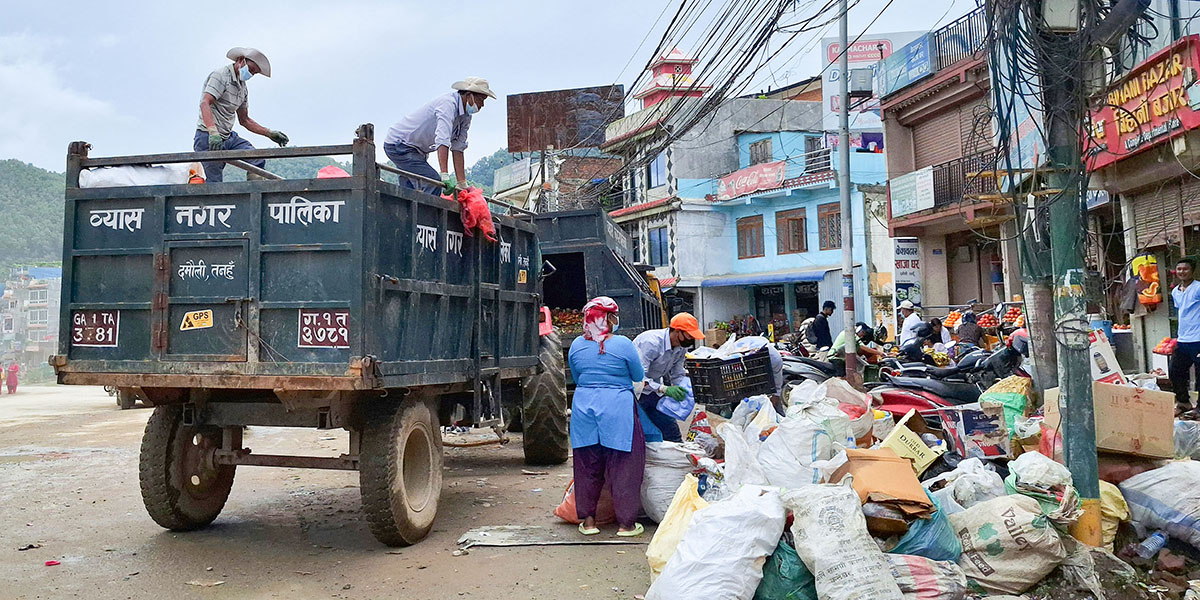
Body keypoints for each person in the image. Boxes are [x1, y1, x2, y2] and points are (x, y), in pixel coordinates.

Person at [567, 297, 646, 537]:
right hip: (618, 410)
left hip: (584, 409)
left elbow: (577, 377)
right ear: (608, 319)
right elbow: (637, 374)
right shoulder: (623, 345)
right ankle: (626, 525)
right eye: (614, 316)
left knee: (587, 466)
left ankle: (589, 523)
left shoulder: (576, 346)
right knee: (624, 466)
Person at [384, 78, 496, 195]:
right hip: (399, 145)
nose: (482, 105)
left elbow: (458, 147)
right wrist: (444, 175)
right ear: (469, 95)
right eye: (481, 100)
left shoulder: (466, 116)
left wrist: (462, 184)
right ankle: (428, 213)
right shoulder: (448, 104)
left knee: (409, 194)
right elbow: (443, 139)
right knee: (433, 183)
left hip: (418, 151)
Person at [195, 47, 289, 183]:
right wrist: (213, 131)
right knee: (214, 182)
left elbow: (244, 120)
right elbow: (205, 103)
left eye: (254, 73)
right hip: (208, 136)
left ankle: (255, 198)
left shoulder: (242, 88)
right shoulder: (220, 75)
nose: (250, 74)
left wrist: (269, 133)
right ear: (240, 60)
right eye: (250, 69)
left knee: (256, 159)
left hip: (228, 137)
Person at [633, 313, 705, 443]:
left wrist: (684, 389)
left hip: (653, 390)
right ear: (678, 332)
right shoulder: (651, 342)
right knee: (640, 433)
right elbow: (638, 378)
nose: (692, 339)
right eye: (689, 335)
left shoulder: (681, 348)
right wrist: (664, 389)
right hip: (635, 393)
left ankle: (676, 459)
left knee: (671, 433)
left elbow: (677, 373)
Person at [1170, 257, 1200, 413]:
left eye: (1186, 269)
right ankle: (1183, 403)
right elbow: (1182, 312)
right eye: (1179, 269)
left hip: (1198, 339)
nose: (1182, 272)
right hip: (1183, 340)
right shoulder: (1175, 291)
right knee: (1175, 371)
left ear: (1192, 270)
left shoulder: (1198, 288)